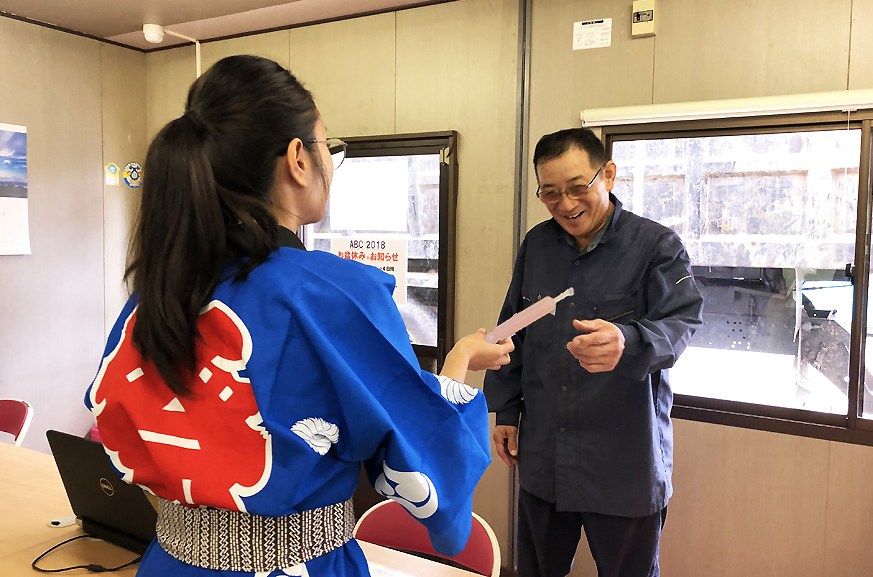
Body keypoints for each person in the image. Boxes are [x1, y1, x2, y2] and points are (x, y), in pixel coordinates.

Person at [85, 54, 514, 577]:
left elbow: (114, 425)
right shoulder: (334, 294)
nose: (330, 162)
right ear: (297, 158)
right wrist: (458, 362)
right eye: (327, 145)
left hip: (170, 561)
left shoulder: (158, 293)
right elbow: (425, 461)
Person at [484, 128, 703, 577]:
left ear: (608, 175)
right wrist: (506, 410)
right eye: (550, 193)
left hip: (624, 462)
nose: (565, 204)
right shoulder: (537, 245)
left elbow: (682, 323)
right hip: (545, 456)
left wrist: (629, 341)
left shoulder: (656, 246)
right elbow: (513, 329)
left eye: (577, 187)